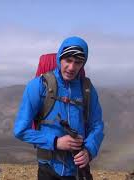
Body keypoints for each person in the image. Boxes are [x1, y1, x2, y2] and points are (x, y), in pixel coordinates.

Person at [13, 36, 104, 180]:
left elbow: (97, 125)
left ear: (83, 64)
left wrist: (89, 150)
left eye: (78, 62)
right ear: (59, 58)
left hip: (77, 170)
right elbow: (20, 130)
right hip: (48, 169)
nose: (72, 67)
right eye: (68, 60)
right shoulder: (38, 86)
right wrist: (55, 142)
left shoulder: (87, 89)